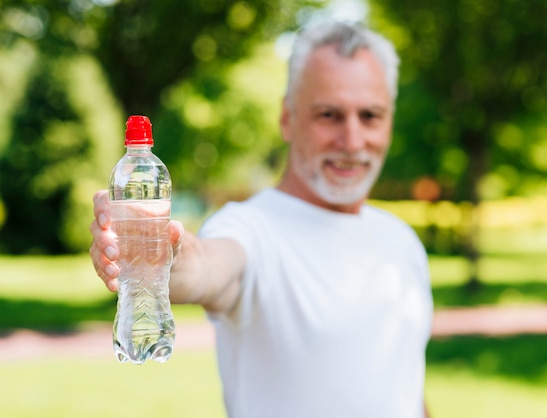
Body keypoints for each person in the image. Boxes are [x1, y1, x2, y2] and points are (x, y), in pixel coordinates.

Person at [90, 21, 433, 418]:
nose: (352, 140)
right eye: (329, 115)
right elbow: (208, 268)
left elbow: (404, 388)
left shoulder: (402, 241)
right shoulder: (250, 229)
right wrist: (167, 256)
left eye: (370, 115)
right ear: (287, 119)